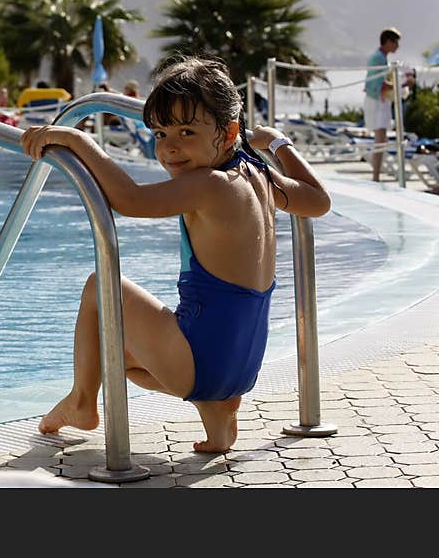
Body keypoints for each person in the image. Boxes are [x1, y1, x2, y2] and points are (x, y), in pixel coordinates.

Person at [20, 56, 331, 452]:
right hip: (241, 366)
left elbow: (129, 199)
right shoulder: (261, 178)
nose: (170, 148)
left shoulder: (209, 185)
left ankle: (82, 402)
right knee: (124, 358)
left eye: (187, 131)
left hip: (198, 362)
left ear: (230, 131)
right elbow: (319, 201)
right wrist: (276, 143)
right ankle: (219, 418)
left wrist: (79, 141)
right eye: (160, 133)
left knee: (100, 287)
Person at [363, 27, 414, 182]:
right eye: (396, 42)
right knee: (380, 139)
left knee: (381, 139)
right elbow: (379, 85)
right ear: (388, 41)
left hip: (379, 103)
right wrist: (404, 83)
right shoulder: (378, 58)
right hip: (376, 103)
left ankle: (376, 176)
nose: (397, 46)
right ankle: (375, 177)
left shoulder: (381, 58)